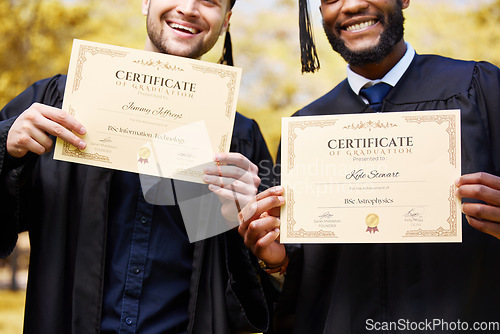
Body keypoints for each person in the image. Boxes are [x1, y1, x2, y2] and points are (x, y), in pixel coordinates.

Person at [0, 0, 275, 333]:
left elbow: (270, 291)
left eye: (210, 1)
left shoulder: (239, 142)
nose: (188, 8)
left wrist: (244, 227)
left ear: (226, 20)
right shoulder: (58, 102)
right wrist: (5, 145)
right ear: (146, 2)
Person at [238, 0, 500, 332]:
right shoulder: (306, 130)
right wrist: (278, 263)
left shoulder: (481, 89)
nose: (352, 4)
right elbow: (308, 281)